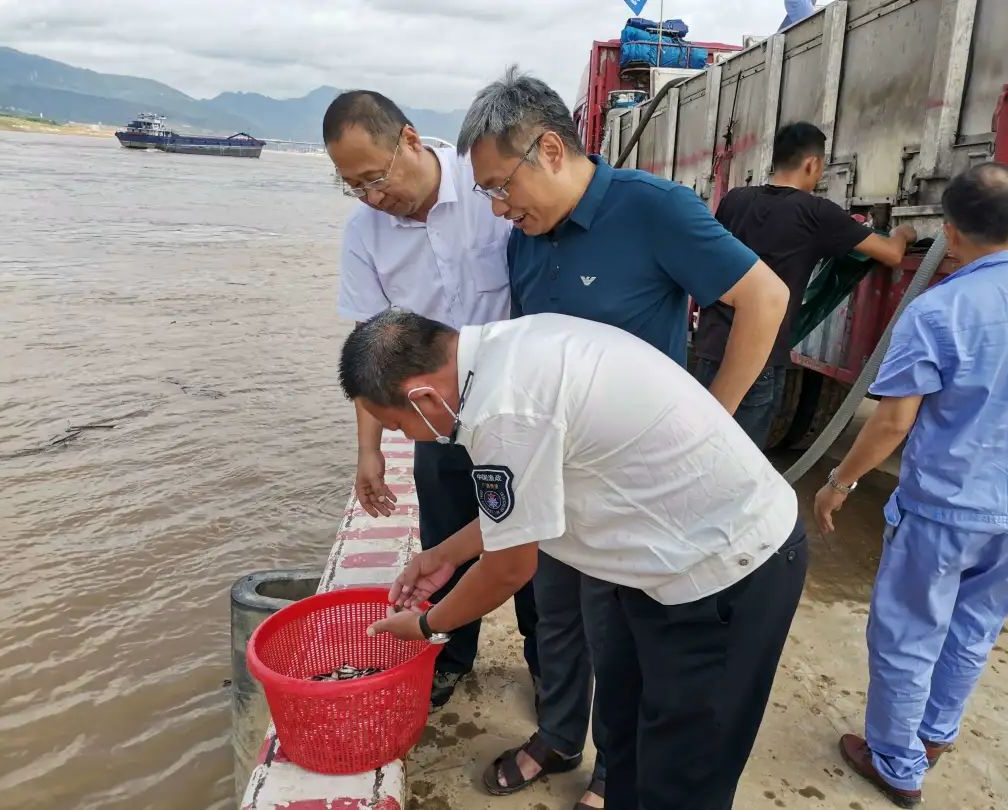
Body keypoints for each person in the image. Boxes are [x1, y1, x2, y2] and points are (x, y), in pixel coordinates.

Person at [456, 66, 790, 807]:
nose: (499, 207)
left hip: (632, 488)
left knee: (623, 635)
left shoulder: (652, 208)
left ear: (547, 149)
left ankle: (614, 769)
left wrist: (715, 421)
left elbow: (764, 297)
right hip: (557, 476)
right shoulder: (526, 238)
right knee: (555, 616)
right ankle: (559, 734)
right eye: (487, 194)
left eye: (500, 186)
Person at [344, 308, 808, 810]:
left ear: (422, 396)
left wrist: (428, 625)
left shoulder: (502, 412)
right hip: (653, 563)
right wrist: (444, 554)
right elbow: (533, 496)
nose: (402, 438)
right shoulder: (506, 347)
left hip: (727, 568)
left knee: (685, 773)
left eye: (395, 425)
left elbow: (509, 569)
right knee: (626, 730)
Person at [813, 163, 1008, 807]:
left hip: (945, 511)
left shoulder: (938, 309)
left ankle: (897, 763)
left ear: (950, 233)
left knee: (907, 632)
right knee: (976, 626)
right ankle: (934, 731)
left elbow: (893, 421)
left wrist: (840, 482)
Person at [323, 90, 538, 708]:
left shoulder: (487, 188)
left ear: (410, 140)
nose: (370, 195)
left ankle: (545, 658)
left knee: (530, 535)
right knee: (446, 539)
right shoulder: (365, 233)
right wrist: (368, 453)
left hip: (516, 409)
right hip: (434, 420)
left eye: (375, 176)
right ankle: (450, 654)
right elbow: (368, 350)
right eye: (352, 185)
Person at [695, 121, 917, 447]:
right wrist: (903, 234)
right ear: (812, 163)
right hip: (760, 360)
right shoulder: (816, 213)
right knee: (740, 464)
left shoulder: (734, 201)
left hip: (711, 350)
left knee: (701, 448)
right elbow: (891, 254)